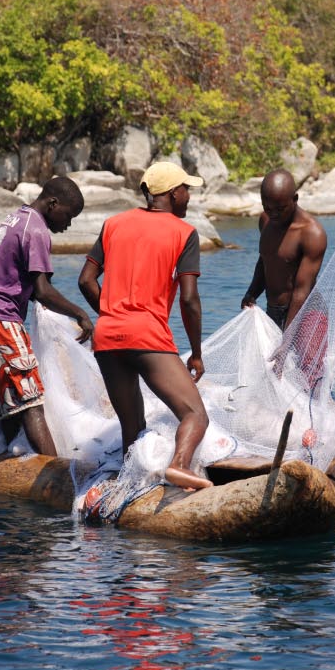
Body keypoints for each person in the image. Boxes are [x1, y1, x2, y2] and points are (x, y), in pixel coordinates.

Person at [77, 161, 212, 491]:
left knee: (132, 426)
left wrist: (111, 313)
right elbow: (190, 299)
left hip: (108, 336)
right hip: (147, 335)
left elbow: (86, 280)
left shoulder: (113, 224)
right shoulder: (184, 233)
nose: (189, 197)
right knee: (195, 415)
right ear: (171, 193)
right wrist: (195, 352)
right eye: (186, 190)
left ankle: (127, 489)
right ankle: (179, 466)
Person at [0, 176, 94, 458]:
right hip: (0, 322)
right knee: (32, 405)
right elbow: (43, 291)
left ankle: (8, 469)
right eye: (68, 216)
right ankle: (55, 472)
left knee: (9, 410)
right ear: (53, 203)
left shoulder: (15, 220)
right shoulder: (37, 230)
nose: (67, 225)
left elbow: (27, 287)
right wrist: (81, 314)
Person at [240, 168, 327, 330]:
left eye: (280, 209)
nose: (274, 214)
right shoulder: (265, 221)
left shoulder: (312, 233)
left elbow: (302, 290)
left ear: (295, 199)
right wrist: (252, 293)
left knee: (293, 355)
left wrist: (287, 336)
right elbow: (266, 259)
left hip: (307, 315)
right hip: (273, 312)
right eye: (268, 208)